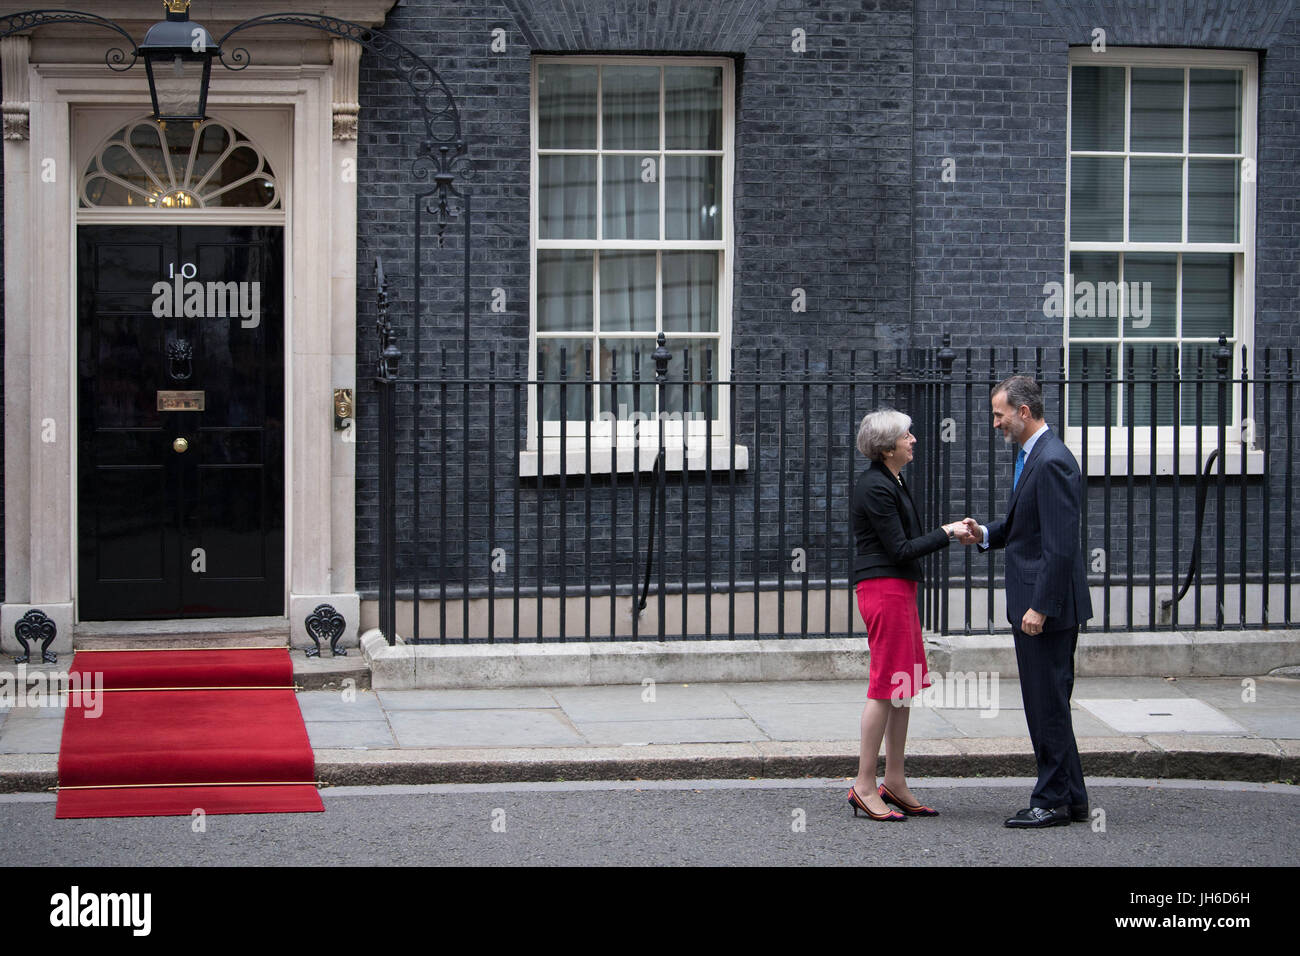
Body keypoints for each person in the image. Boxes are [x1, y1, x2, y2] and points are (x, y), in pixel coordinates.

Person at [963, 375, 1093, 828]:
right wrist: (984, 534)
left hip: (1046, 609)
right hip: (1042, 602)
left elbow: (1059, 545)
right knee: (1050, 701)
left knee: (1045, 704)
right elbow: (1027, 525)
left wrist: (1040, 606)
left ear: (1023, 412)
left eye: (999, 414)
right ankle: (1073, 798)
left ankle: (1051, 800)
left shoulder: (1052, 460)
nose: (995, 423)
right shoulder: (1034, 455)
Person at [848, 408, 975, 821]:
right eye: (906, 435)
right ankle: (865, 784)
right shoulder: (875, 487)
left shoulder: (893, 480)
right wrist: (947, 532)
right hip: (882, 587)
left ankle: (896, 781)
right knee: (885, 686)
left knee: (901, 686)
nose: (913, 439)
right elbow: (899, 549)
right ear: (887, 448)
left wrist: (945, 533)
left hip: (897, 587)